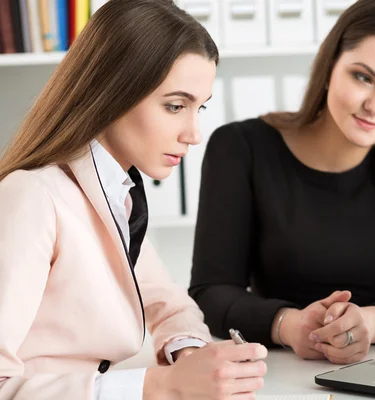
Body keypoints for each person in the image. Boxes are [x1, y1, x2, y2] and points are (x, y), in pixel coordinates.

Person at [0, 0, 267, 399]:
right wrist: (157, 386)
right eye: (176, 106)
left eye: (200, 108)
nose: (193, 133)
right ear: (112, 92)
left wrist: (189, 355)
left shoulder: (117, 195)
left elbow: (171, 306)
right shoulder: (34, 197)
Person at [189, 0, 375, 366]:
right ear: (330, 64)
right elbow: (212, 292)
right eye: (363, 77)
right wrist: (288, 325)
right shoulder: (241, 148)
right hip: (279, 371)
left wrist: (372, 323)